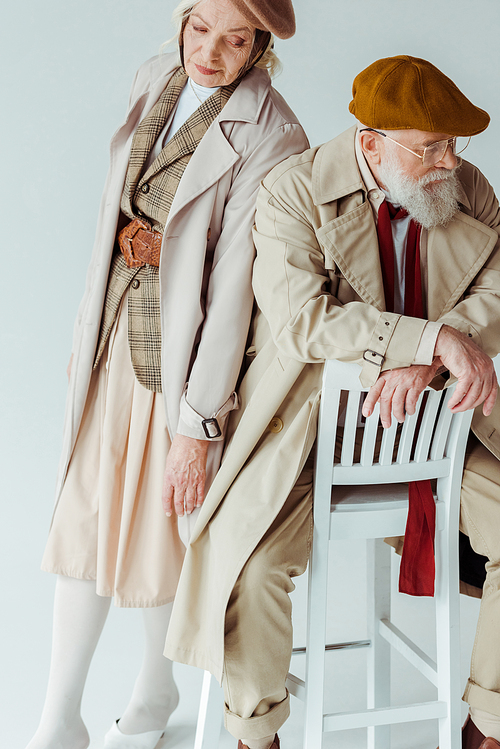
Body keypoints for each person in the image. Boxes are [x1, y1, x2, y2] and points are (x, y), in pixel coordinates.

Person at [164, 55, 500, 749]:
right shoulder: (292, 191)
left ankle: (489, 725)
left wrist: (430, 359)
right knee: (250, 571)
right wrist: (428, 338)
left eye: (453, 143)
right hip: (311, 435)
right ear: (370, 141)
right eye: (430, 145)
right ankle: (255, 736)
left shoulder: (468, 186)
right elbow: (301, 323)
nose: (449, 161)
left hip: (440, 428)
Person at [28, 1, 308, 748]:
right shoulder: (153, 76)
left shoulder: (275, 133)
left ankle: (153, 694)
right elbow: (109, 217)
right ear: (181, 24)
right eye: (200, 31)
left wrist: (199, 421)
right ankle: (61, 715)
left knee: (158, 529)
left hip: (184, 362)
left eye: (234, 39)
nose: (210, 53)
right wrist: (87, 331)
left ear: (259, 48)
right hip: (116, 336)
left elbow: (235, 292)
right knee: (83, 519)